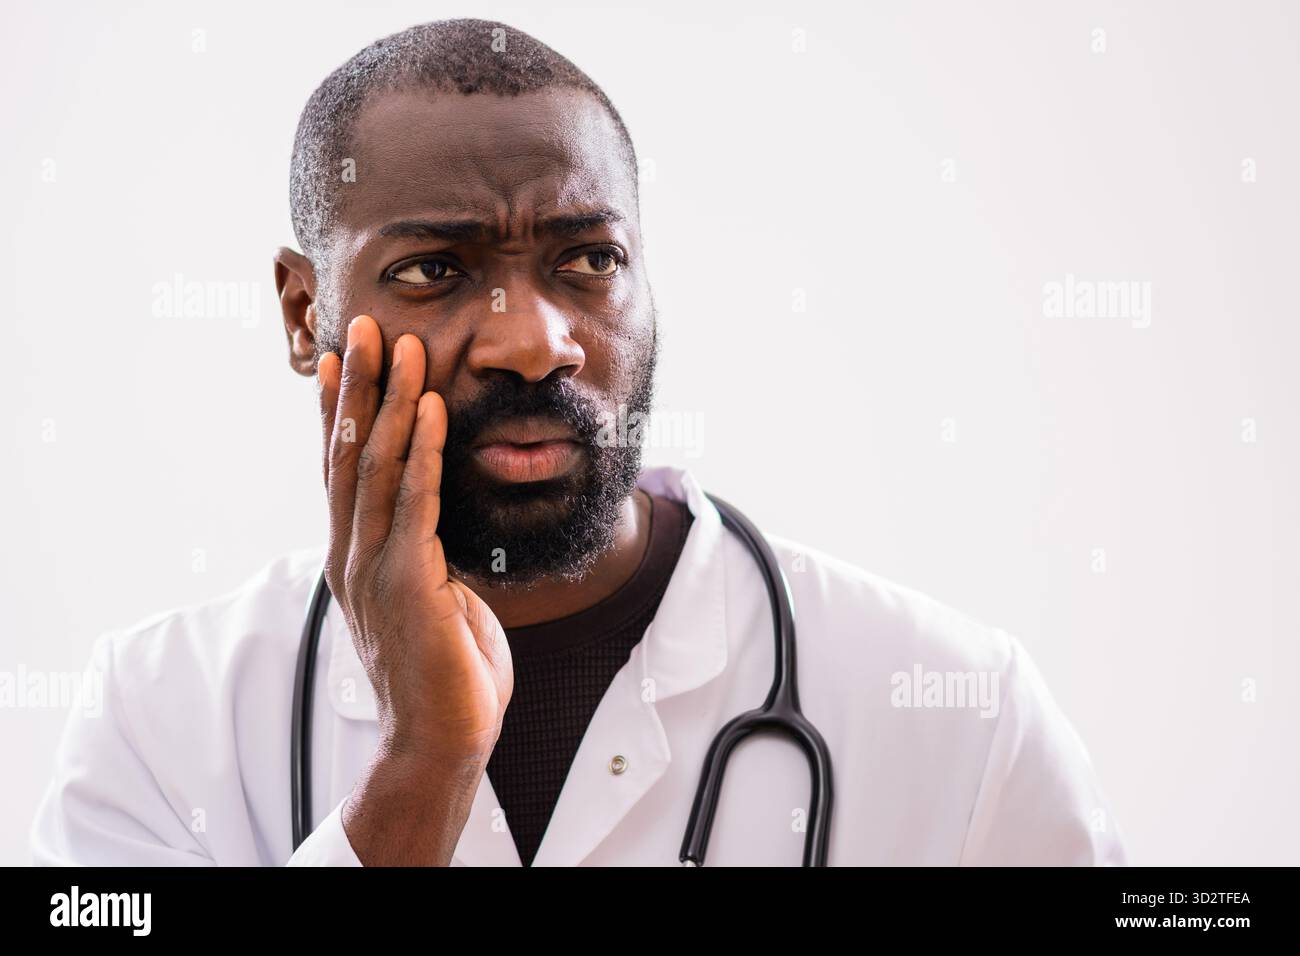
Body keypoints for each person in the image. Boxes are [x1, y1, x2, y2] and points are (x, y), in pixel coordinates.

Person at [30, 18, 1126, 866]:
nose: (531, 341)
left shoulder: (955, 709)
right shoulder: (155, 719)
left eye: (587, 260)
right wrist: (420, 771)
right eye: (434, 269)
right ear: (302, 311)